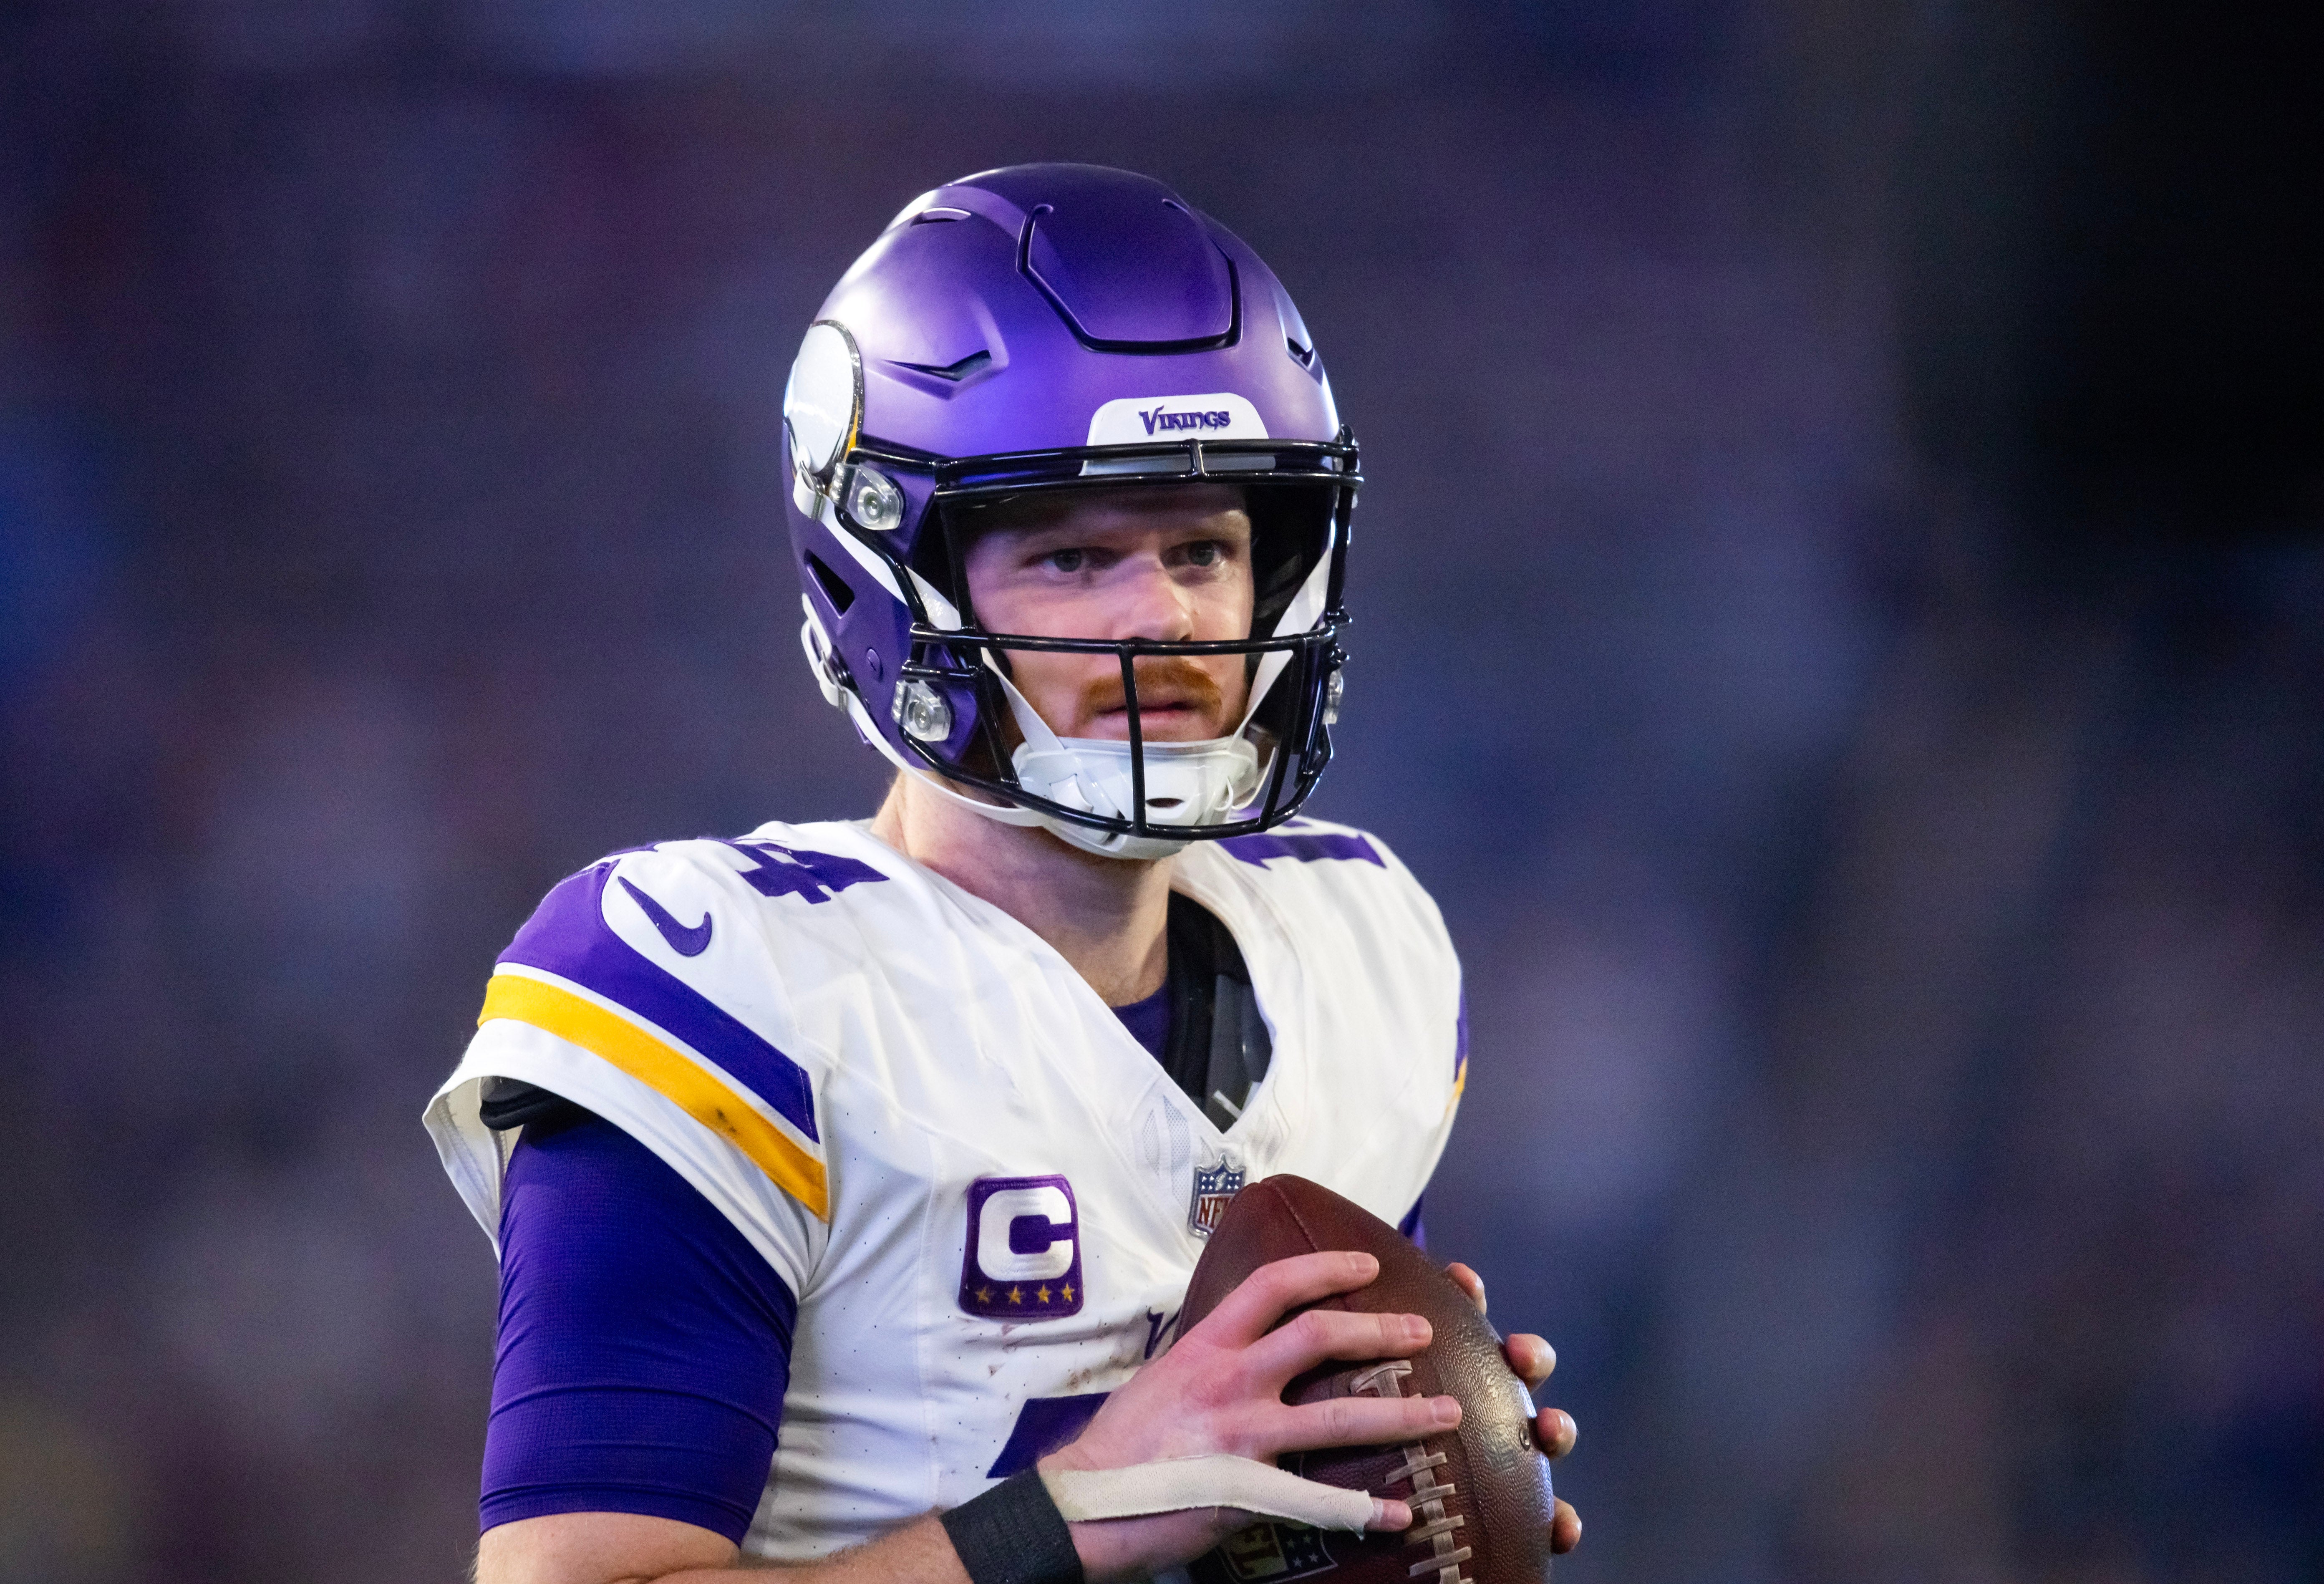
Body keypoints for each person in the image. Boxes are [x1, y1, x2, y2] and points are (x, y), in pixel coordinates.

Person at [424, 163, 1580, 1584]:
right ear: (888, 580)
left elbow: (1284, 1479)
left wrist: (1408, 1485)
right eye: (1074, 554)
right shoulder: (718, 990)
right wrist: (1078, 1505)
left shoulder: (1361, 947)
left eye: (1205, 547)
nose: (1161, 615)